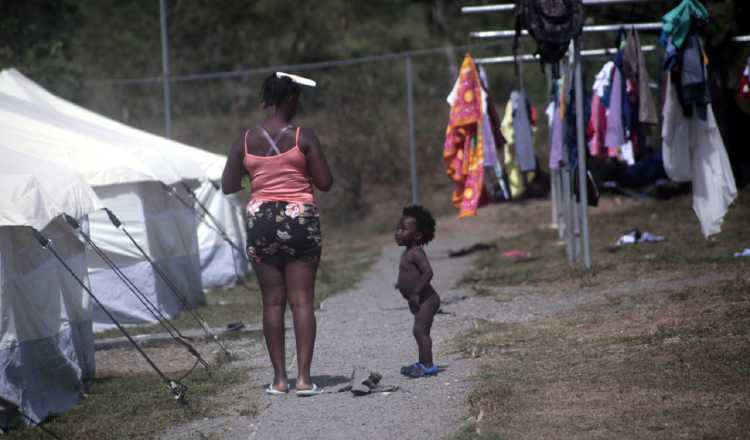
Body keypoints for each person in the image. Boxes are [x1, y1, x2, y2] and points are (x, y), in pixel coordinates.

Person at [221, 72, 333, 396]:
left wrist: (257, 181)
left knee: (272, 302)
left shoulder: (245, 140)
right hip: (300, 221)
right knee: (301, 301)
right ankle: (304, 380)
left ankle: (279, 380)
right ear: (291, 100)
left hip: (261, 221)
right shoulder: (303, 136)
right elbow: (325, 183)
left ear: (265, 101)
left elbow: (228, 185)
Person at [394, 205, 440, 378]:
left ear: (418, 235)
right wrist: (401, 285)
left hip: (428, 299)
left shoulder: (416, 253)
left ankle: (427, 365)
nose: (398, 232)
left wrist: (415, 293)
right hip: (420, 300)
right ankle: (422, 362)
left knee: (420, 331)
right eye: (397, 228)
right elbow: (409, 274)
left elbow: (428, 272)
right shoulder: (407, 253)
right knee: (420, 331)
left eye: (403, 229)